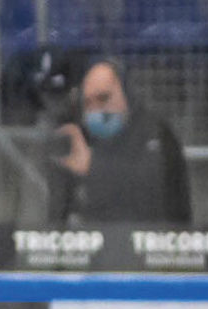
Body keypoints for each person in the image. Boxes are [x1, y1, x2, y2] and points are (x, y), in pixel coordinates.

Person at [48, 57, 191, 225]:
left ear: (126, 96)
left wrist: (93, 168)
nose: (96, 111)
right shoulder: (80, 139)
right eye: (88, 103)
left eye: (103, 99)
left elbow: (152, 192)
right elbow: (60, 216)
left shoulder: (156, 133)